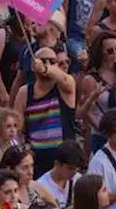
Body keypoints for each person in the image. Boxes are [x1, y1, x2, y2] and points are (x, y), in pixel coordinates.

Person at [14, 48, 77, 177]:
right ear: (33, 65)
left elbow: (67, 80)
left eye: (52, 61)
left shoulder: (65, 86)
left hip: (64, 159)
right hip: (37, 160)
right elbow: (17, 127)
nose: (47, 63)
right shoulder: (24, 92)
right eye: (43, 60)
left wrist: (45, 69)